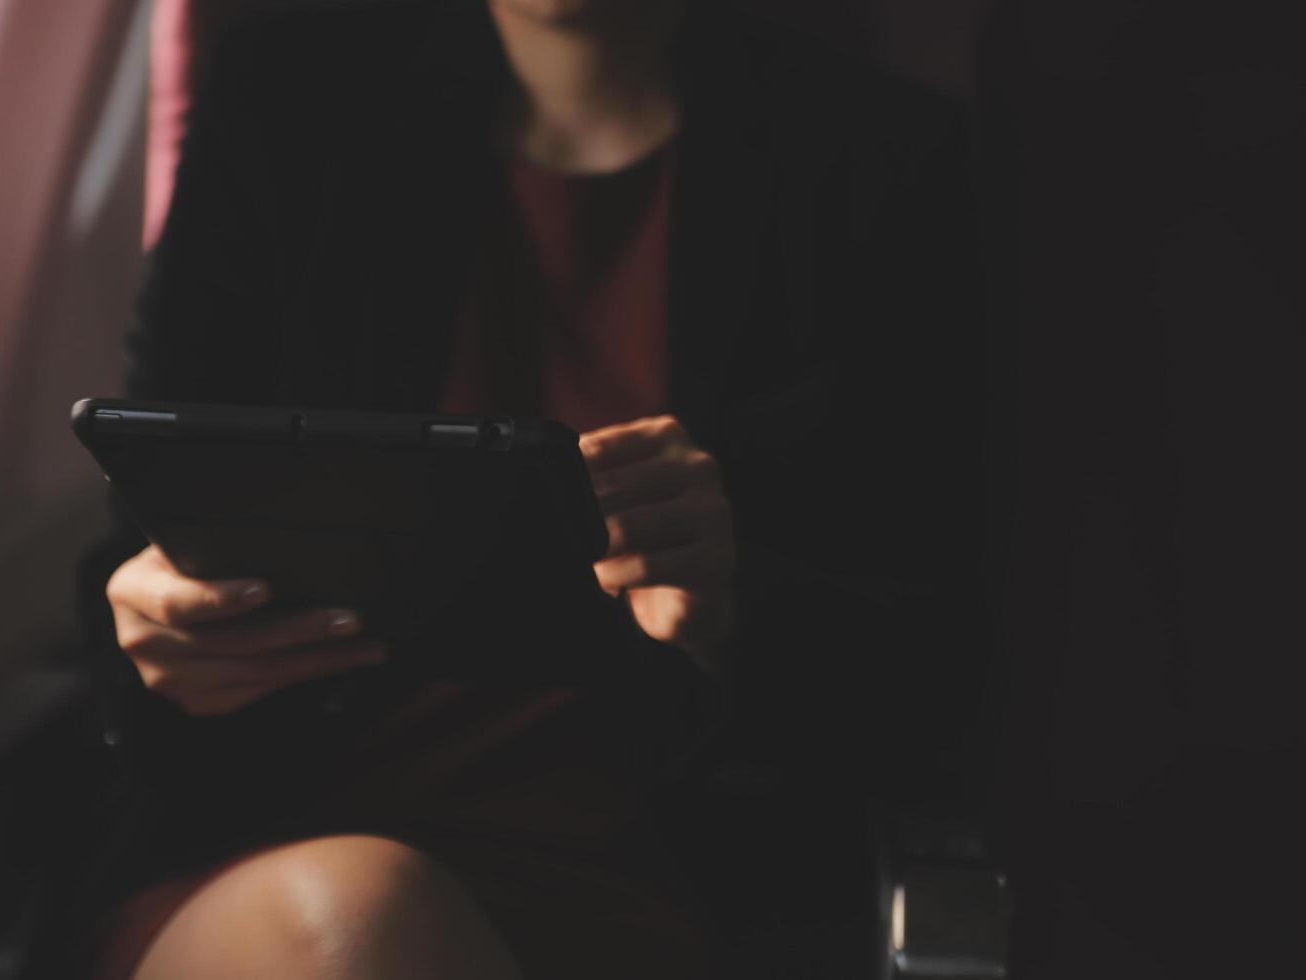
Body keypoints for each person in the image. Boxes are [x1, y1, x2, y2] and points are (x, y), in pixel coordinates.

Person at [72, 0, 988, 977]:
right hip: (272, 848)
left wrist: (731, 608)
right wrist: (166, 644)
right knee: (352, 923)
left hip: (693, 876)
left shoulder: (880, 162)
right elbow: (153, 535)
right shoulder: (288, 99)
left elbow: (938, 661)